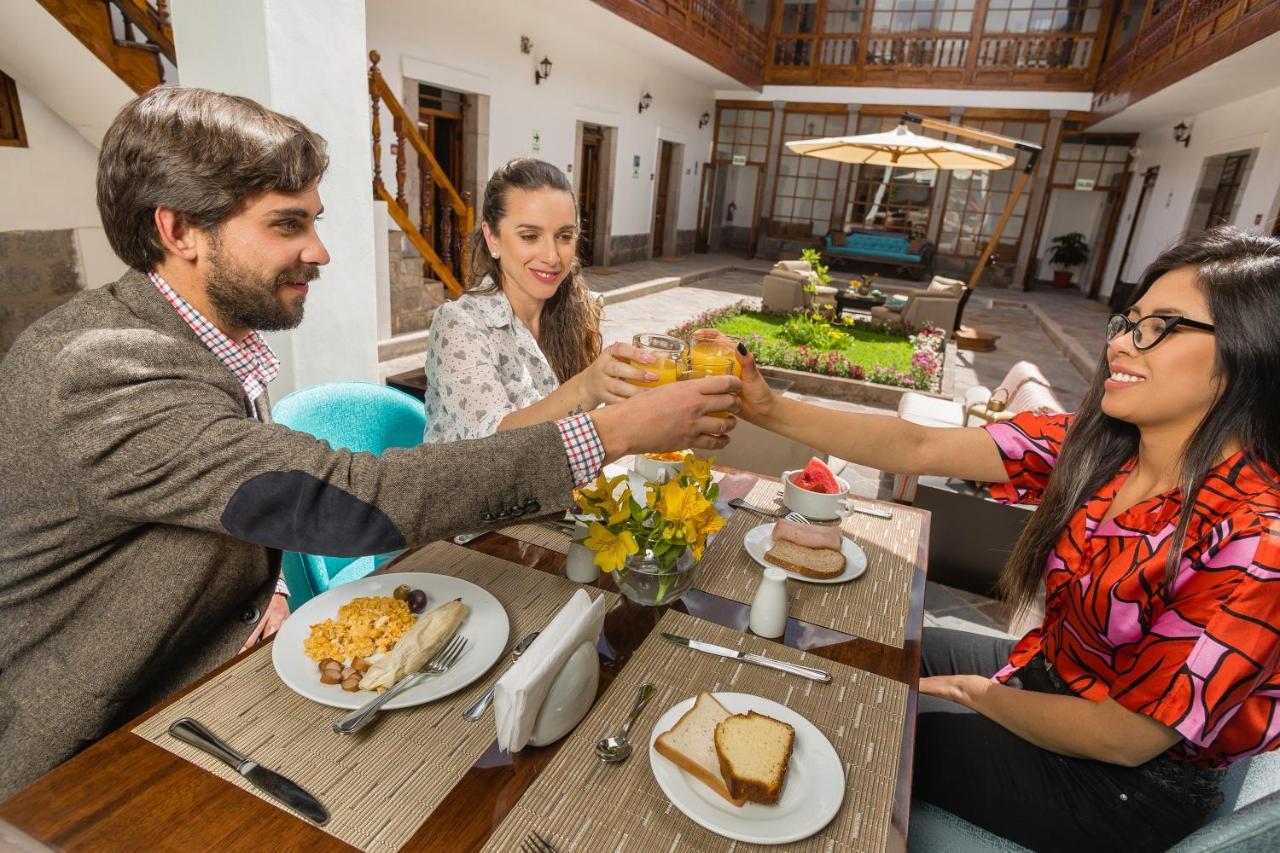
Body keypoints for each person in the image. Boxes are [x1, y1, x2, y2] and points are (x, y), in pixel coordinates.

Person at [0, 87, 741, 798]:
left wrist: (276, 590)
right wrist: (610, 430)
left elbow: (216, 503)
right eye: (288, 224)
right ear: (179, 230)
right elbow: (345, 495)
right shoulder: (101, 370)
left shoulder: (207, 337)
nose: (320, 250)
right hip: (88, 753)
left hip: (217, 670)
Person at [723, 227, 1280, 852]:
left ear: (1249, 351)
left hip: (1124, 787)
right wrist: (766, 408)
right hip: (1050, 674)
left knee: (851, 722)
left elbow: (1123, 736)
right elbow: (920, 445)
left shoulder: (1257, 538)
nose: (1123, 343)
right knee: (847, 648)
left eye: (1162, 326)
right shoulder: (1098, 448)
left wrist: (974, 693)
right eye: (1129, 320)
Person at [423, 158, 656, 443]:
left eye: (564, 236)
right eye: (530, 236)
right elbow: (489, 447)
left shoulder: (577, 312)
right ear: (492, 238)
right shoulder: (459, 324)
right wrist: (587, 388)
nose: (552, 256)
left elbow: (580, 430)